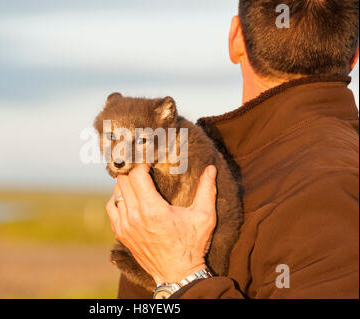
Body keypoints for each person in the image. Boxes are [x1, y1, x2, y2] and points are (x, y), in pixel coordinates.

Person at [106, 0, 359, 298]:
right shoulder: (185, 158)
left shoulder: (334, 190)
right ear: (354, 55)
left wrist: (181, 275)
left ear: (235, 39)